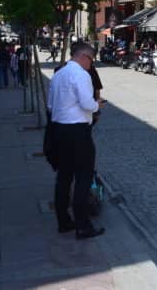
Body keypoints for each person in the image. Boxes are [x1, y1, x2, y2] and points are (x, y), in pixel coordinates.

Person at [47, 41, 105, 239]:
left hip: (59, 131)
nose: (91, 63)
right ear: (83, 56)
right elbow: (87, 104)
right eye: (91, 59)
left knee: (63, 177)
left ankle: (63, 221)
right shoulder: (81, 74)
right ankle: (82, 225)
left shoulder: (59, 74)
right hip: (77, 132)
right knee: (83, 176)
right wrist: (98, 105)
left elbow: (50, 104)